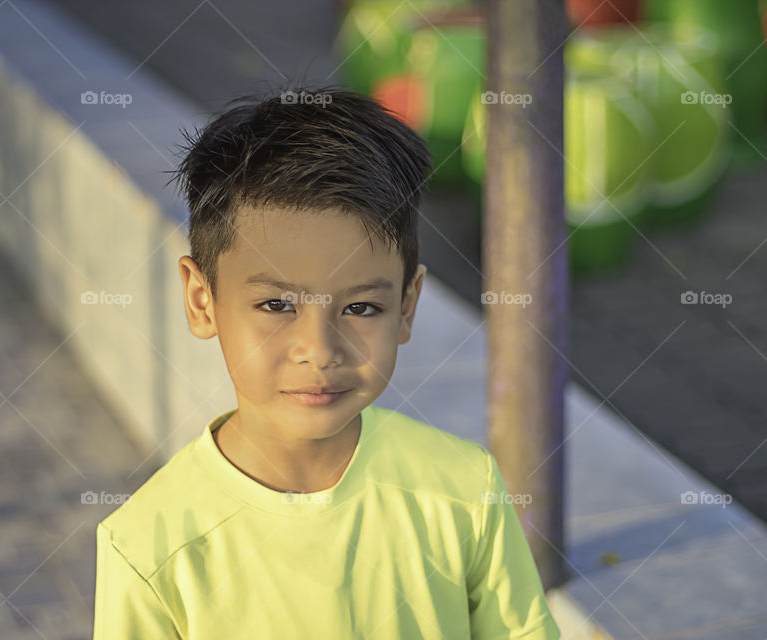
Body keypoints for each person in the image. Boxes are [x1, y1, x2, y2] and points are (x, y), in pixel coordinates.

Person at [92, 86, 561, 639]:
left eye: (361, 307)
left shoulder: (462, 488)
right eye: (276, 305)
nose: (319, 348)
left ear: (406, 307)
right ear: (202, 300)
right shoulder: (148, 544)